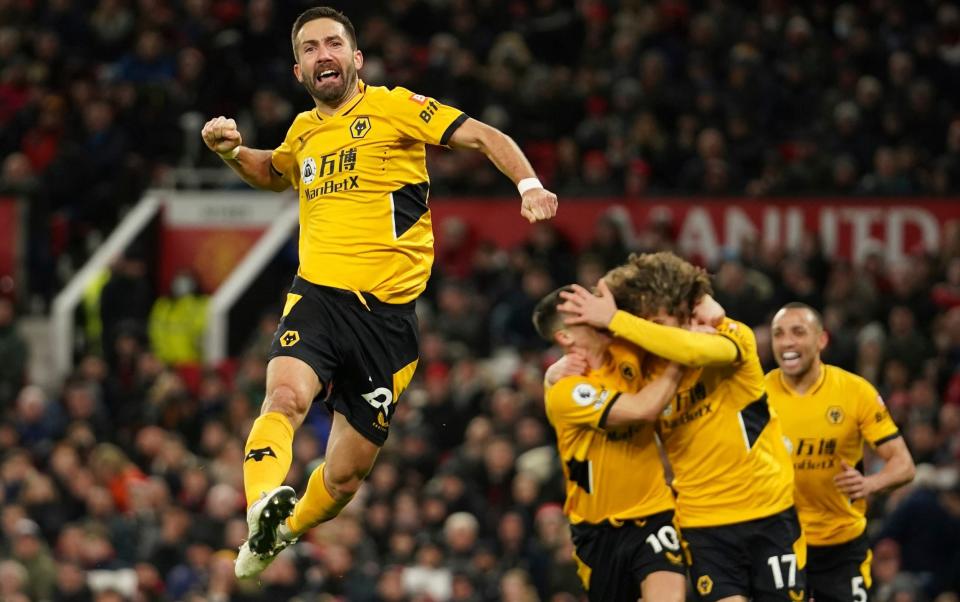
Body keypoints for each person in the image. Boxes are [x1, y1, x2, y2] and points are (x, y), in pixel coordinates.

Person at [199, 6, 558, 579]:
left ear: (355, 57)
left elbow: (484, 135)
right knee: (285, 399)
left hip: (388, 323)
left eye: (333, 44)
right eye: (311, 48)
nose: (324, 55)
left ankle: (277, 534)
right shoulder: (304, 130)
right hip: (317, 296)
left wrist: (530, 184)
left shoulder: (394, 107)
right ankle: (260, 502)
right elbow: (273, 170)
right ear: (298, 70)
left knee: (343, 479)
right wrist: (231, 153)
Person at [555, 252, 805, 602]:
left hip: (768, 511)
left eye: (659, 320)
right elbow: (601, 355)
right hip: (701, 524)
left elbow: (689, 349)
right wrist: (557, 370)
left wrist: (619, 317)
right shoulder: (649, 369)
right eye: (646, 322)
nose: (651, 330)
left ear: (685, 313)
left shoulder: (731, 338)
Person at [532, 286, 689, 602]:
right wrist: (678, 364)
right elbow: (644, 409)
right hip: (597, 531)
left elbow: (666, 320)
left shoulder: (628, 349)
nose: (596, 315)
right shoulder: (567, 390)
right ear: (565, 337)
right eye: (583, 315)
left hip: (655, 514)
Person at [767, 303, 915, 602]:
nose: (787, 343)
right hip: (780, 540)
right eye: (778, 334)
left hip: (841, 543)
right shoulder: (757, 393)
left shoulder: (854, 391)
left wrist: (870, 483)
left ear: (821, 340)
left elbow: (904, 464)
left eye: (798, 332)